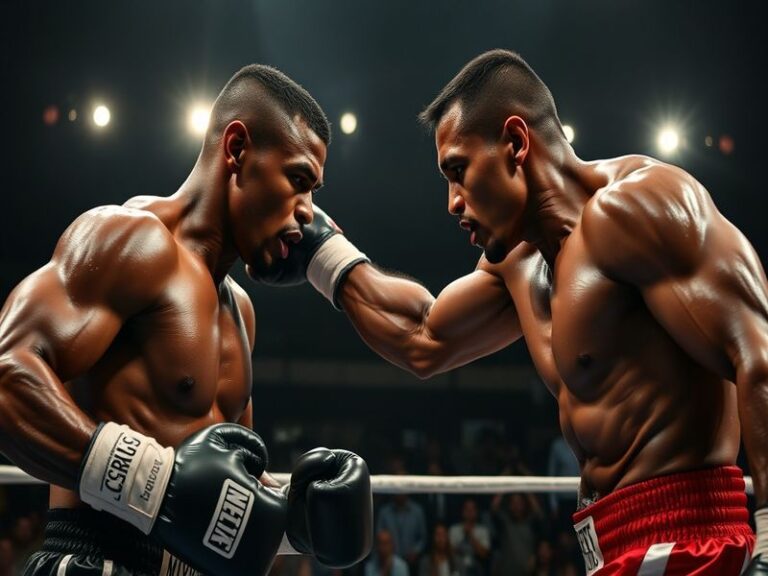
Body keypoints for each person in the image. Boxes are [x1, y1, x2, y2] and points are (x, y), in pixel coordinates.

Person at [250, 49, 768, 575]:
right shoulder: (520, 262)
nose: (452, 201)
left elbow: (759, 356)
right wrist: (324, 254)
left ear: (516, 144)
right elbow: (423, 338)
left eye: (459, 170)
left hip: (690, 541)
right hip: (609, 546)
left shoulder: (637, 207)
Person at [0, 64, 372, 575]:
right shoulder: (132, 240)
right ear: (237, 150)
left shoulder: (240, 311)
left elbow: (215, 504)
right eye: (298, 180)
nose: (309, 212)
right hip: (97, 558)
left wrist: (297, 523)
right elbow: (7, 374)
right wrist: (153, 485)